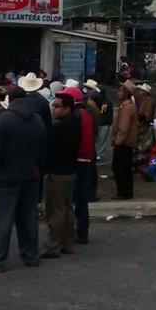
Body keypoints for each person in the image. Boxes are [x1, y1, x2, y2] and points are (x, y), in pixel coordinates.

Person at [0, 87, 46, 273]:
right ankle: (31, 256)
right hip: (31, 177)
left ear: (10, 99)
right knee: (28, 219)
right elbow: (43, 149)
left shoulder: (4, 120)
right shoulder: (37, 120)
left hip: (7, 177)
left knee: (2, 221)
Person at [42, 91, 81, 259]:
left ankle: (54, 246)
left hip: (58, 172)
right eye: (53, 105)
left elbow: (52, 147)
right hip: (69, 170)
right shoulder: (73, 123)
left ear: (67, 109)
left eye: (57, 106)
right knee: (66, 208)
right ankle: (67, 243)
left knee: (56, 210)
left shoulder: (62, 127)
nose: (54, 109)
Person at [68, 86, 97, 243]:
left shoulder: (77, 116)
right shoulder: (85, 113)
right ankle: (82, 231)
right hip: (86, 159)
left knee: (77, 198)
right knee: (81, 199)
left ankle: (79, 231)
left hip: (79, 161)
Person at [110, 80, 138, 200]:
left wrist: (118, 140)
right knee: (124, 168)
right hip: (126, 142)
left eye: (121, 90)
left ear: (126, 93)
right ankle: (125, 192)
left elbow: (124, 127)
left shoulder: (127, 108)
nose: (118, 92)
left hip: (124, 143)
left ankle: (123, 192)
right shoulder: (127, 106)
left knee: (120, 168)